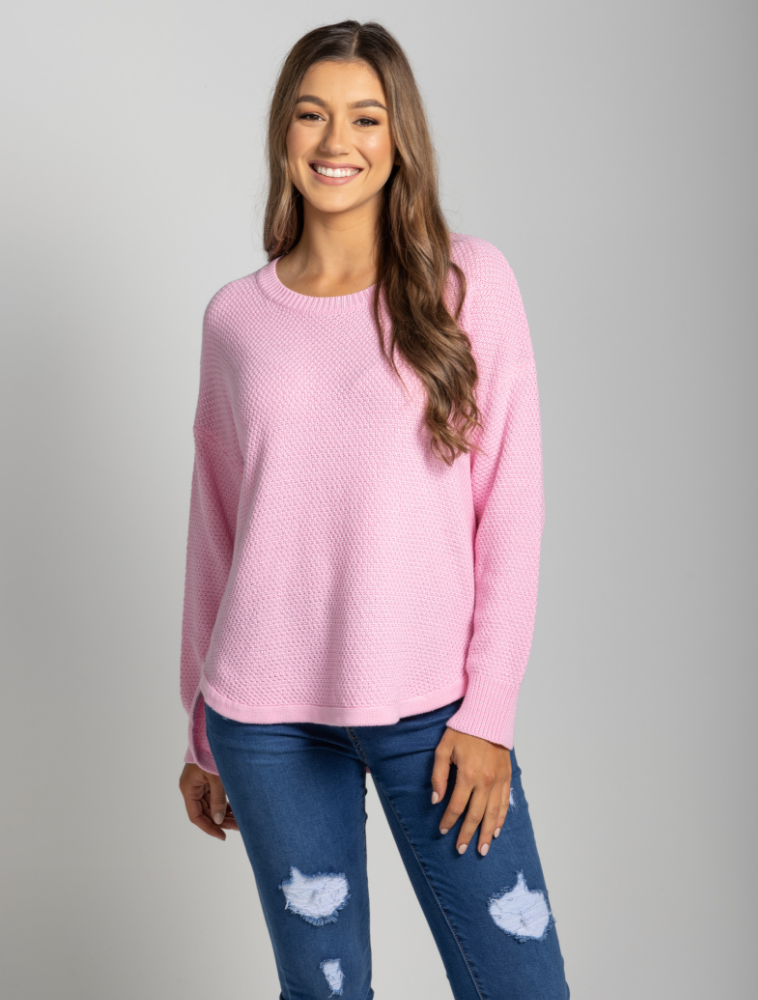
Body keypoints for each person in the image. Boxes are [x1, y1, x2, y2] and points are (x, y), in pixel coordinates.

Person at [177, 18, 570, 1000]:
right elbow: (215, 530)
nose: (335, 141)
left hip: (433, 712)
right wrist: (199, 729)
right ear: (284, 131)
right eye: (312, 114)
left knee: (520, 986)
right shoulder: (236, 319)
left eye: (365, 117)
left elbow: (511, 506)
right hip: (266, 720)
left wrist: (490, 710)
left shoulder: (467, 282)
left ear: (400, 139)